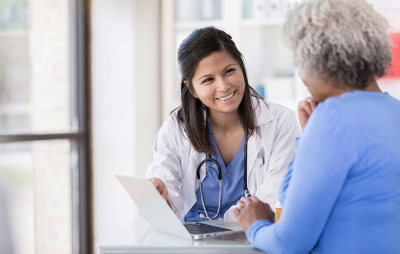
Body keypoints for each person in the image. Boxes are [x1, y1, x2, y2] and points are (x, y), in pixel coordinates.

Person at [234, 0, 400, 253]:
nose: (302, 76)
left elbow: (288, 243)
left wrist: (255, 224)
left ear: (317, 61)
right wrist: (310, 136)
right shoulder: (393, 111)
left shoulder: (333, 118)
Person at [146, 27, 301, 222]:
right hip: (192, 242)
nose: (223, 86)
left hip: (252, 235)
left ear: (241, 68)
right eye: (208, 79)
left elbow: (276, 194)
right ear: (191, 88)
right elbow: (163, 184)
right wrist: (158, 194)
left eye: (229, 71)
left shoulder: (280, 122)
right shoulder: (176, 129)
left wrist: (226, 228)